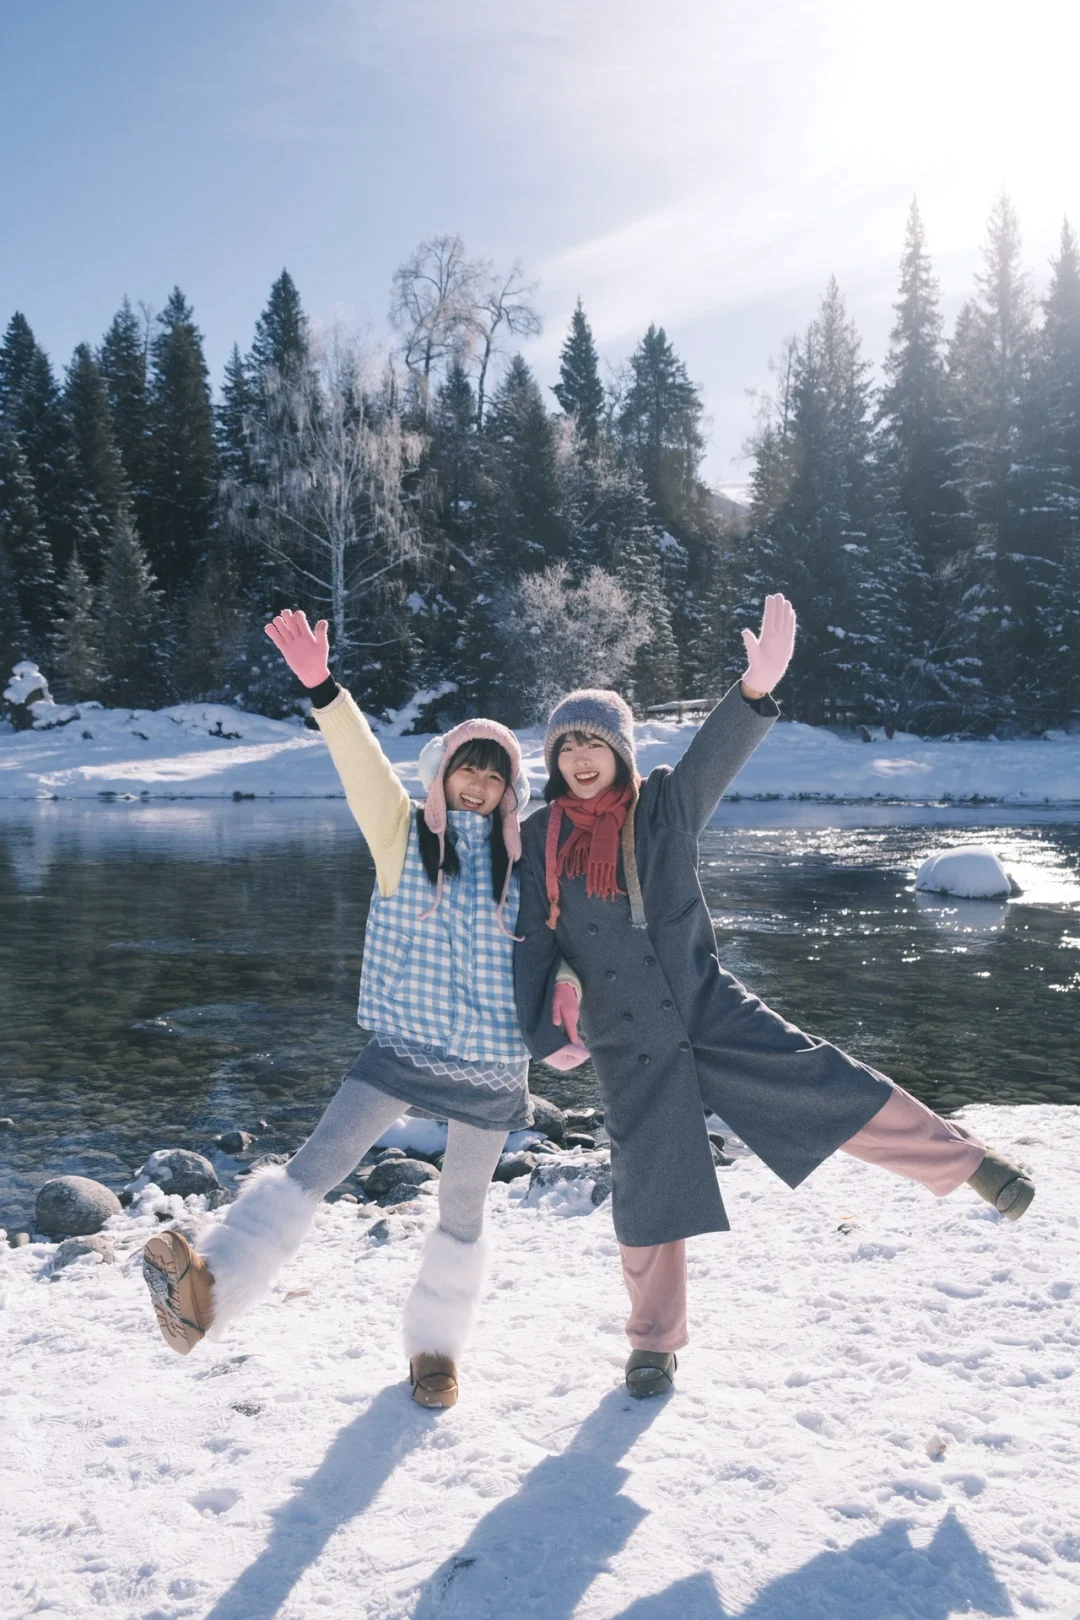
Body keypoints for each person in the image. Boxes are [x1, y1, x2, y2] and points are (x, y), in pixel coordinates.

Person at [514, 594, 1035, 1398]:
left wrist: (753, 690)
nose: (582, 757)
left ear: (620, 750)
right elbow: (533, 944)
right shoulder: (541, 837)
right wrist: (543, 1036)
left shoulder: (662, 808)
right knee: (646, 1190)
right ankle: (653, 1345)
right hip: (625, 1040)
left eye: (595, 742)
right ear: (553, 758)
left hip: (706, 1005)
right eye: (567, 745)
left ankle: (969, 1162)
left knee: (829, 1084)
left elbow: (713, 757)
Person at [142, 609, 551, 1408]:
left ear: (511, 789)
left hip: (495, 1063)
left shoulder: (525, 862)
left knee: (463, 1204)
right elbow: (360, 761)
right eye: (465, 768)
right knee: (315, 1167)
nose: (477, 783)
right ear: (440, 774)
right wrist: (324, 689)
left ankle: (436, 1351)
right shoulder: (399, 834)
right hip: (400, 1047)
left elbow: (569, 941)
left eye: (493, 774)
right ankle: (207, 1297)